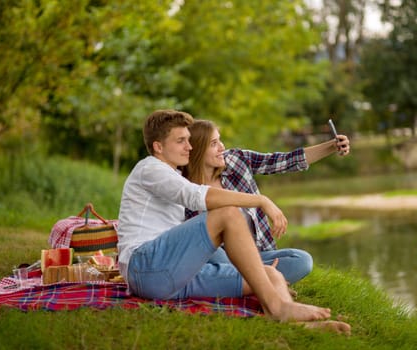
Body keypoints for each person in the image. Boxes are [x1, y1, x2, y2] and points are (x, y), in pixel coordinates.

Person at [117, 109, 351, 334]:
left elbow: (282, 160)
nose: (188, 146)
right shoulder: (150, 169)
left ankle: (290, 321)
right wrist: (260, 200)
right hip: (145, 267)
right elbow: (197, 196)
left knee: (270, 275)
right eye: (181, 141)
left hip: (176, 279)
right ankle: (279, 308)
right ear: (158, 147)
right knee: (227, 213)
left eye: (189, 140)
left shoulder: (181, 174)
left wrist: (331, 146)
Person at [182, 119, 350, 285]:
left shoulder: (236, 160)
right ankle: (261, 283)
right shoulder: (184, 189)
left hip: (258, 255)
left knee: (302, 260)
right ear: (196, 149)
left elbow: (284, 161)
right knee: (209, 248)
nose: (222, 147)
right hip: (222, 259)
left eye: (220, 140)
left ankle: (247, 283)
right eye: (213, 143)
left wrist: (331, 146)